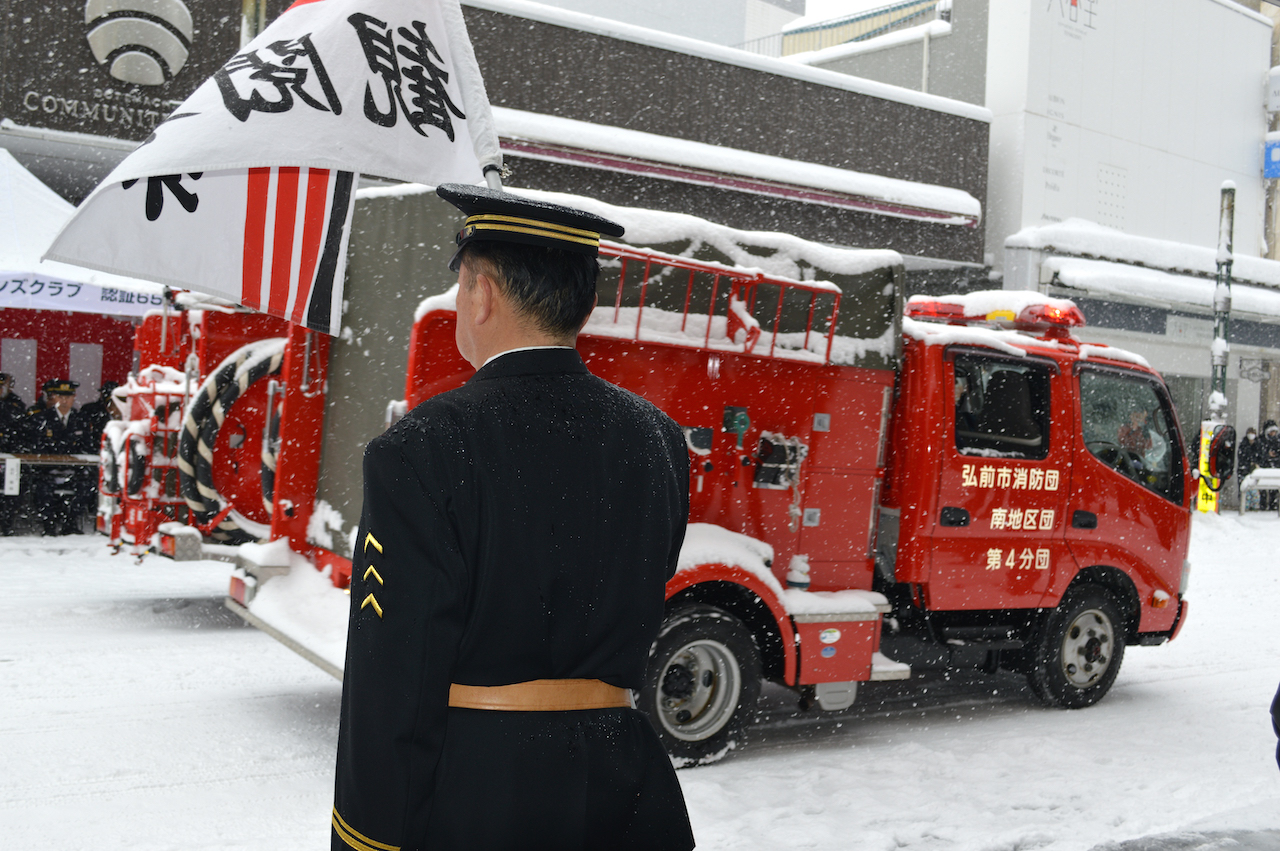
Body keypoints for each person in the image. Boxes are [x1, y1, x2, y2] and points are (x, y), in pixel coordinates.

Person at [331, 184, 695, 851]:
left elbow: (394, 681)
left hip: (482, 792)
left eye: (462, 285)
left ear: (482, 294)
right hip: (626, 789)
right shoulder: (659, 440)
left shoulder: (420, 449)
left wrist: (366, 839)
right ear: (582, 302)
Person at [28, 379, 96, 535]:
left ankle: (70, 524)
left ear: (74, 398)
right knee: (42, 488)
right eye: (60, 396)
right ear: (53, 398)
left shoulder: (81, 419)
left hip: (73, 471)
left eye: (68, 396)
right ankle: (49, 526)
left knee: (87, 486)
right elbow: (36, 447)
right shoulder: (41, 419)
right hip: (48, 470)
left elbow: (87, 446)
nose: (64, 400)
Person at [0, 372, 25, 534]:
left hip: (9, 457)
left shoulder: (16, 404)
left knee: (13, 489)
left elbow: (21, 432)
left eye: (3, 385)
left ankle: (6, 524)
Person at [1259, 420, 1280, 510]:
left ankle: (1273, 505)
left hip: (1275, 467)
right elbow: (1259, 453)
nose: (1273, 433)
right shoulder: (1261, 441)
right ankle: (1263, 505)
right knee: (1262, 488)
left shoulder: (1277, 441)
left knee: (1274, 489)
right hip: (1264, 466)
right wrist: (1267, 454)